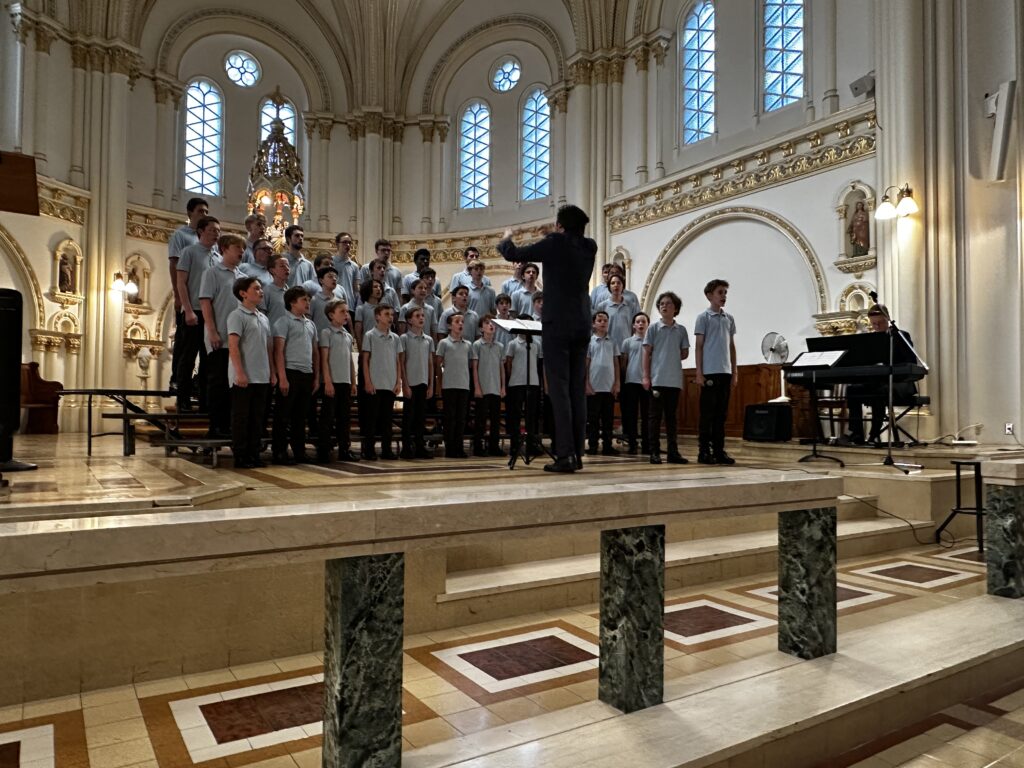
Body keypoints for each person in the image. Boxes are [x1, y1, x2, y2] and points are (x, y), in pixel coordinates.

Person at [498, 205, 597, 473]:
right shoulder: (590, 246)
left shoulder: (554, 243)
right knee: (576, 391)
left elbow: (513, 253)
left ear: (560, 226)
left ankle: (564, 455)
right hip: (581, 323)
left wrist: (506, 237)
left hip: (557, 324)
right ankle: (576, 453)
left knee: (559, 390)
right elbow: (566, 247)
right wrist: (553, 235)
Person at [845, 304, 918, 445]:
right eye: (874, 324)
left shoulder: (900, 336)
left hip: (900, 383)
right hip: (877, 382)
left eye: (880, 323)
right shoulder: (871, 340)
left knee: (879, 390)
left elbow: (911, 361)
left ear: (888, 319)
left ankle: (873, 435)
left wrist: (887, 367)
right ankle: (857, 433)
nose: (877, 326)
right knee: (852, 390)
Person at [199, 233, 245, 438]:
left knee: (235, 386)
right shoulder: (212, 273)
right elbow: (205, 302)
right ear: (224, 249)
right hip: (220, 337)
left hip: (239, 341)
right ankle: (216, 427)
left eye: (243, 248)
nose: (241, 252)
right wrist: (212, 331)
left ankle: (230, 427)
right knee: (218, 384)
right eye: (237, 247)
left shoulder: (243, 277)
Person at [227, 276, 274, 468]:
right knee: (242, 418)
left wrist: (272, 372)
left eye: (261, 288)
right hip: (244, 376)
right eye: (256, 288)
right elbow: (233, 345)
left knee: (257, 418)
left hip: (262, 375)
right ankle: (240, 455)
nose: (261, 291)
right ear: (243, 293)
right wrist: (239, 372)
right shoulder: (237, 315)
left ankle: (254, 454)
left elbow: (268, 347)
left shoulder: (263, 318)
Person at [175, 215, 220, 412]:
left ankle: (204, 400)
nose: (216, 234)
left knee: (208, 358)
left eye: (218, 231)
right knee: (188, 356)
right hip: (193, 311)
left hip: (211, 315)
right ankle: (183, 399)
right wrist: (187, 310)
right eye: (212, 230)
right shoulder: (189, 252)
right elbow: (181, 282)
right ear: (201, 231)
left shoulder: (218, 258)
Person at [272, 286, 319, 464]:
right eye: (304, 300)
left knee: (301, 416)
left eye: (308, 300)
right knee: (283, 415)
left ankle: (299, 451)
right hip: (290, 372)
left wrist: (316, 377)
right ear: (292, 302)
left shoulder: (311, 324)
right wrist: (282, 377)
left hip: (306, 373)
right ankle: (279, 451)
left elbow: (315, 352)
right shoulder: (283, 322)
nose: (308, 303)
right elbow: (278, 351)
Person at [643, 291, 690, 465]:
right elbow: (646, 353)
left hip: (674, 380)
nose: (664, 306)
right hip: (657, 379)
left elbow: (684, 353)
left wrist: (671, 356)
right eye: (661, 303)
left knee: (671, 418)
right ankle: (654, 452)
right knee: (655, 418)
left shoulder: (681, 330)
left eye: (668, 303)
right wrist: (646, 376)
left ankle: (673, 452)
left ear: (675, 308)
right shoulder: (653, 328)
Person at [694, 279, 738, 465]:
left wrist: (734, 371)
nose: (724, 296)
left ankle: (719, 450)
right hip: (709, 372)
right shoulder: (703, 317)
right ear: (709, 295)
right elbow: (699, 346)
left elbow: (731, 346)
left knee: (721, 414)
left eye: (725, 293)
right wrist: (699, 372)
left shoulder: (729, 319)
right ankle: (704, 451)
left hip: (725, 371)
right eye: (720, 292)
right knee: (707, 414)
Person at [168, 197, 208, 393]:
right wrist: (177, 295)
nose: (204, 214)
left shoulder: (207, 240)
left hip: (204, 301)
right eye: (200, 211)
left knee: (203, 346)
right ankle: (176, 378)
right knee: (184, 342)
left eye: (206, 212)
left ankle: (198, 381)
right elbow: (174, 264)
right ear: (190, 213)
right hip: (187, 298)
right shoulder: (181, 235)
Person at [317, 300, 359, 463]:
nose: (346, 315)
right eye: (342, 312)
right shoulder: (326, 333)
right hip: (332, 381)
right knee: (328, 417)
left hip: (345, 381)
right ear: (331, 315)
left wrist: (353, 382)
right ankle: (324, 449)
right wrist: (327, 381)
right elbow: (324, 359)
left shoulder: (348, 335)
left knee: (344, 417)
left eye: (347, 312)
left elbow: (350, 361)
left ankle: (344, 449)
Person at [360, 305, 401, 460]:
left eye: (391, 314)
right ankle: (369, 450)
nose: (390, 317)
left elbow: (397, 361)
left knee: (387, 419)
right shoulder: (370, 335)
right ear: (377, 316)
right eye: (386, 314)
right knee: (372, 419)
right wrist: (368, 381)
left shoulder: (395, 338)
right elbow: (365, 360)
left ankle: (386, 449)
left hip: (389, 383)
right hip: (375, 384)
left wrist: (398, 381)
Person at [504, 317, 543, 459]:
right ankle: (515, 445)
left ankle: (531, 444)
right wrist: (513, 376)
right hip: (516, 383)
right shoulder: (513, 344)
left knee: (531, 415)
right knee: (515, 415)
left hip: (532, 383)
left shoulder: (536, 344)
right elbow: (509, 363)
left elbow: (538, 362)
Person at [399, 306, 435, 459]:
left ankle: (420, 446)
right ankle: (406, 447)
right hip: (410, 383)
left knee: (421, 417)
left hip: (423, 382)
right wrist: (405, 384)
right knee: (408, 417)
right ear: (409, 320)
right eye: (417, 316)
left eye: (422, 316)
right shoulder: (404, 338)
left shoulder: (428, 339)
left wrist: (431, 385)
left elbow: (430, 363)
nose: (421, 318)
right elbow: (402, 362)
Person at [436, 313, 473, 458]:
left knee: (461, 418)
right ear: (450, 326)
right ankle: (450, 448)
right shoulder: (444, 343)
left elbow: (469, 364)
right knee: (450, 418)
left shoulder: (468, 344)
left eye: (462, 321)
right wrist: (439, 384)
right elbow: (438, 364)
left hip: (463, 385)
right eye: (457, 321)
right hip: (449, 385)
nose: (460, 324)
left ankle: (459, 447)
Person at [586, 310, 620, 455]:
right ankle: (593, 445)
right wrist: (586, 383)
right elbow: (586, 364)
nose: (603, 323)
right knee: (593, 419)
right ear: (593, 324)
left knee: (608, 419)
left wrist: (617, 383)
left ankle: (607, 446)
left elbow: (616, 364)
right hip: (593, 387)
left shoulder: (613, 342)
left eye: (605, 320)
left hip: (609, 387)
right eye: (599, 320)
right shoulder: (590, 342)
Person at [473, 316, 506, 457]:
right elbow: (475, 367)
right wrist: (477, 387)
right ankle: (478, 447)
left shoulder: (500, 346)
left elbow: (501, 368)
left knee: (495, 419)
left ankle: (494, 446)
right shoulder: (477, 345)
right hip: (483, 388)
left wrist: (503, 387)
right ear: (481, 328)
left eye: (493, 323)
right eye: (487, 323)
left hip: (496, 388)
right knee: (481, 419)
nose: (491, 325)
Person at [620, 312, 651, 455]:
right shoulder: (627, 342)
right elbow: (624, 363)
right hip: (631, 381)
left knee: (647, 415)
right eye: (638, 322)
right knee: (631, 414)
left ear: (648, 324)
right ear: (633, 325)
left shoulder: (651, 341)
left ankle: (646, 444)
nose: (640, 324)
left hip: (647, 381)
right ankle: (632, 443)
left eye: (643, 321)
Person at [261, 255, 290, 331]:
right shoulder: (267, 290)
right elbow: (261, 315)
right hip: (273, 332)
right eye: (282, 266)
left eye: (288, 265)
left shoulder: (290, 291)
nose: (287, 268)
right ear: (272, 270)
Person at [332, 231, 360, 302]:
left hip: (350, 303)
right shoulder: (330, 262)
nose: (347, 245)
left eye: (349, 243)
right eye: (344, 242)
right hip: (334, 301)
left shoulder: (354, 266)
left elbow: (356, 288)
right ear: (337, 244)